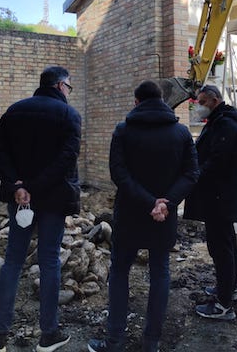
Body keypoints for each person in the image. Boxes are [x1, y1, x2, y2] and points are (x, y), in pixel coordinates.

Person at [88, 80, 199, 352]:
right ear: (161, 100)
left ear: (136, 102)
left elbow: (119, 174)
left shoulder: (123, 131)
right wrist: (165, 203)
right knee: (160, 272)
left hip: (129, 214)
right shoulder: (181, 133)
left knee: (119, 272)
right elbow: (191, 174)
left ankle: (114, 341)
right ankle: (152, 343)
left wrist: (148, 202)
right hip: (164, 216)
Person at [0, 66, 81, 352]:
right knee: (50, 260)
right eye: (69, 87)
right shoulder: (69, 115)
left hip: (20, 200)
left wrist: (18, 185)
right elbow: (68, 157)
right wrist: (36, 186)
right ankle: (48, 334)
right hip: (52, 199)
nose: (68, 92)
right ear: (60, 85)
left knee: (13, 260)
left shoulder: (14, 111)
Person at [183, 85, 237, 320]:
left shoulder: (226, 125)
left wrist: (194, 174)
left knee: (221, 248)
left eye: (201, 102)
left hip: (219, 198)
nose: (199, 107)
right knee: (226, 244)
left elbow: (217, 162)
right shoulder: (221, 121)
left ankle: (223, 305)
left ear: (214, 100)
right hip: (220, 197)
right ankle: (228, 289)